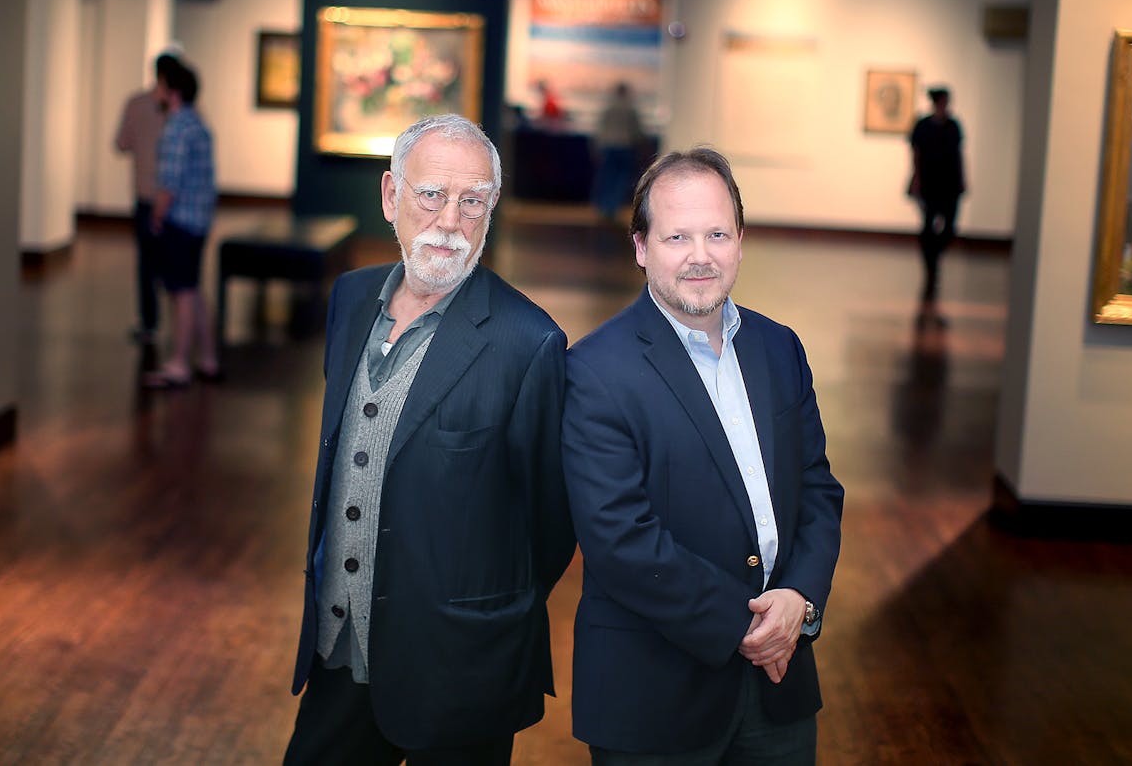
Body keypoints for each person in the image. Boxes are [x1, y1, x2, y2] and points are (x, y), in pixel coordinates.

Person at [284, 114, 574, 765]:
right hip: (340, 645)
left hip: (459, 668)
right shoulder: (351, 299)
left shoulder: (528, 343)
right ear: (391, 196)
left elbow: (550, 526)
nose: (450, 219)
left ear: (491, 208)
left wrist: (478, 615)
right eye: (431, 194)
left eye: (472, 200)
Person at [563, 147, 844, 765]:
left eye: (717, 233)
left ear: (740, 241)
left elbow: (818, 488)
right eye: (677, 236)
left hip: (780, 685)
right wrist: (747, 629)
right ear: (640, 247)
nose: (700, 255)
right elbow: (619, 538)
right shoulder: (594, 369)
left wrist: (799, 596)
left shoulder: (780, 348)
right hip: (654, 696)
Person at [142, 59, 220, 388]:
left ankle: (179, 363)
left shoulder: (176, 128)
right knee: (193, 290)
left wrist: (156, 216)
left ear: (172, 91)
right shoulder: (198, 125)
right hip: (199, 221)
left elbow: (168, 184)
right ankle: (208, 358)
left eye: (159, 84)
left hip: (180, 223)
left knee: (182, 293)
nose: (155, 91)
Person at [115, 51, 180, 345]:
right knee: (175, 266)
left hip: (145, 196)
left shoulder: (136, 104)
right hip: (175, 200)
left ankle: (150, 323)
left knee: (146, 265)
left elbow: (121, 143)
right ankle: (180, 326)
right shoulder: (182, 110)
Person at [908, 86, 965, 299]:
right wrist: (917, 179)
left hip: (949, 183)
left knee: (949, 227)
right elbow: (916, 153)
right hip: (930, 183)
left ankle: (934, 256)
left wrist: (962, 179)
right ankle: (931, 264)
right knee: (928, 224)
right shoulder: (923, 126)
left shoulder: (953, 126)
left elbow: (959, 153)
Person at [591, 82, 644, 222]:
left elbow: (600, 129)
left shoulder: (608, 108)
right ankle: (613, 208)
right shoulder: (630, 109)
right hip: (625, 146)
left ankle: (603, 207)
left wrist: (596, 147)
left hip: (609, 147)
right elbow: (637, 131)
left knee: (606, 178)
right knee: (620, 179)